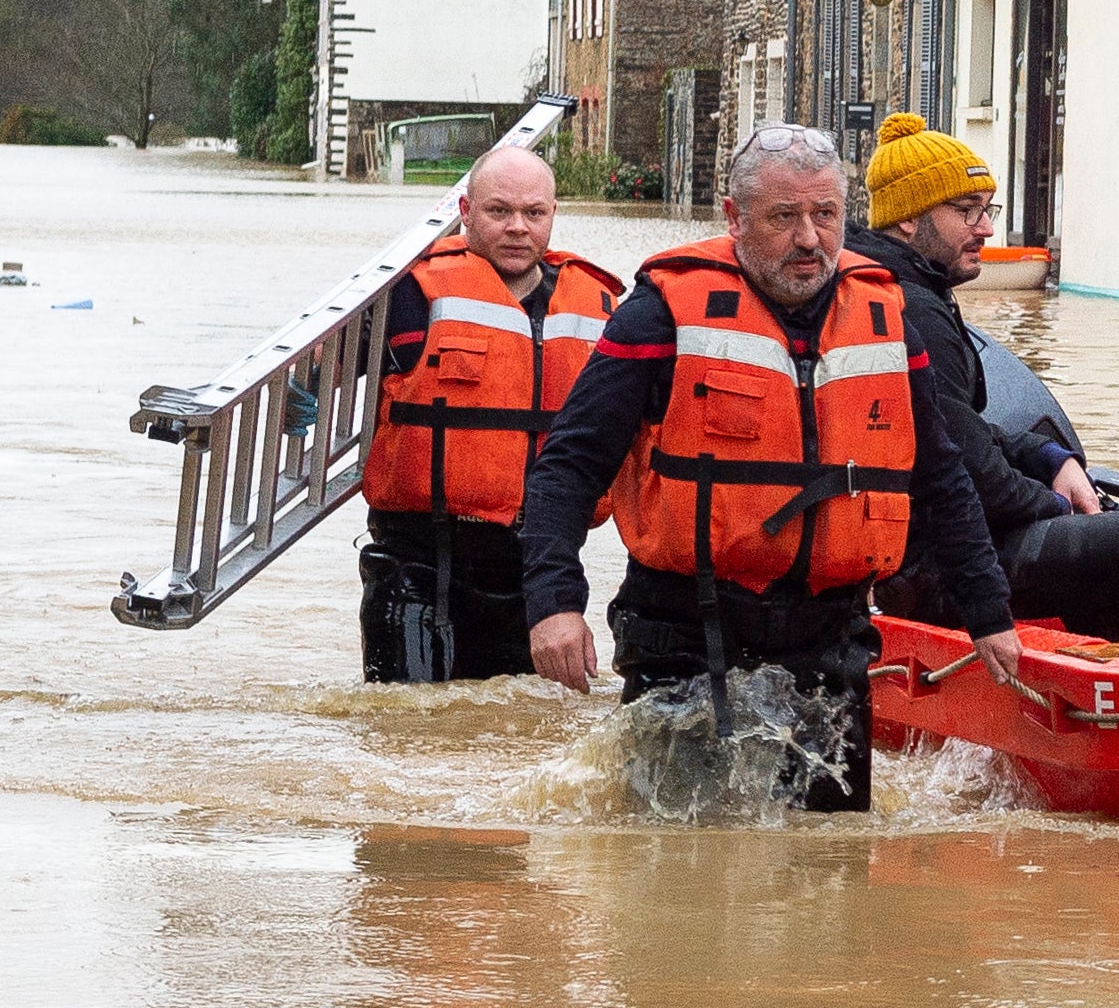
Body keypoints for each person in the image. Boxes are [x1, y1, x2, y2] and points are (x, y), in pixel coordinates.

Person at [518, 125, 1022, 812]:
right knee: (671, 873)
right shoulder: (660, 313)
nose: (810, 239)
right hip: (686, 625)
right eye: (785, 218)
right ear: (734, 218)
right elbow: (569, 466)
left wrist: (988, 612)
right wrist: (555, 605)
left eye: (825, 216)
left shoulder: (886, 316)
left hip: (830, 630)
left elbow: (938, 475)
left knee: (831, 866)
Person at [850, 112, 1119, 642]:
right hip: (935, 571)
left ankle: (1089, 668)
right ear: (906, 219)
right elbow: (974, 475)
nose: (986, 228)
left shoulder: (891, 290)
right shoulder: (916, 312)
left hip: (908, 555)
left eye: (986, 210)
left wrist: (1048, 459)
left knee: (1099, 535)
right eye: (967, 212)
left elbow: (954, 424)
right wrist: (1063, 508)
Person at [353, 144, 624, 683]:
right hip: (418, 563)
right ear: (466, 211)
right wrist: (303, 392)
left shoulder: (602, 308)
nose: (518, 228)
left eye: (534, 213)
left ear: (553, 215)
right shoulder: (412, 293)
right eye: (500, 212)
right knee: (408, 732)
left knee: (520, 746)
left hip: (538, 568)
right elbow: (329, 364)